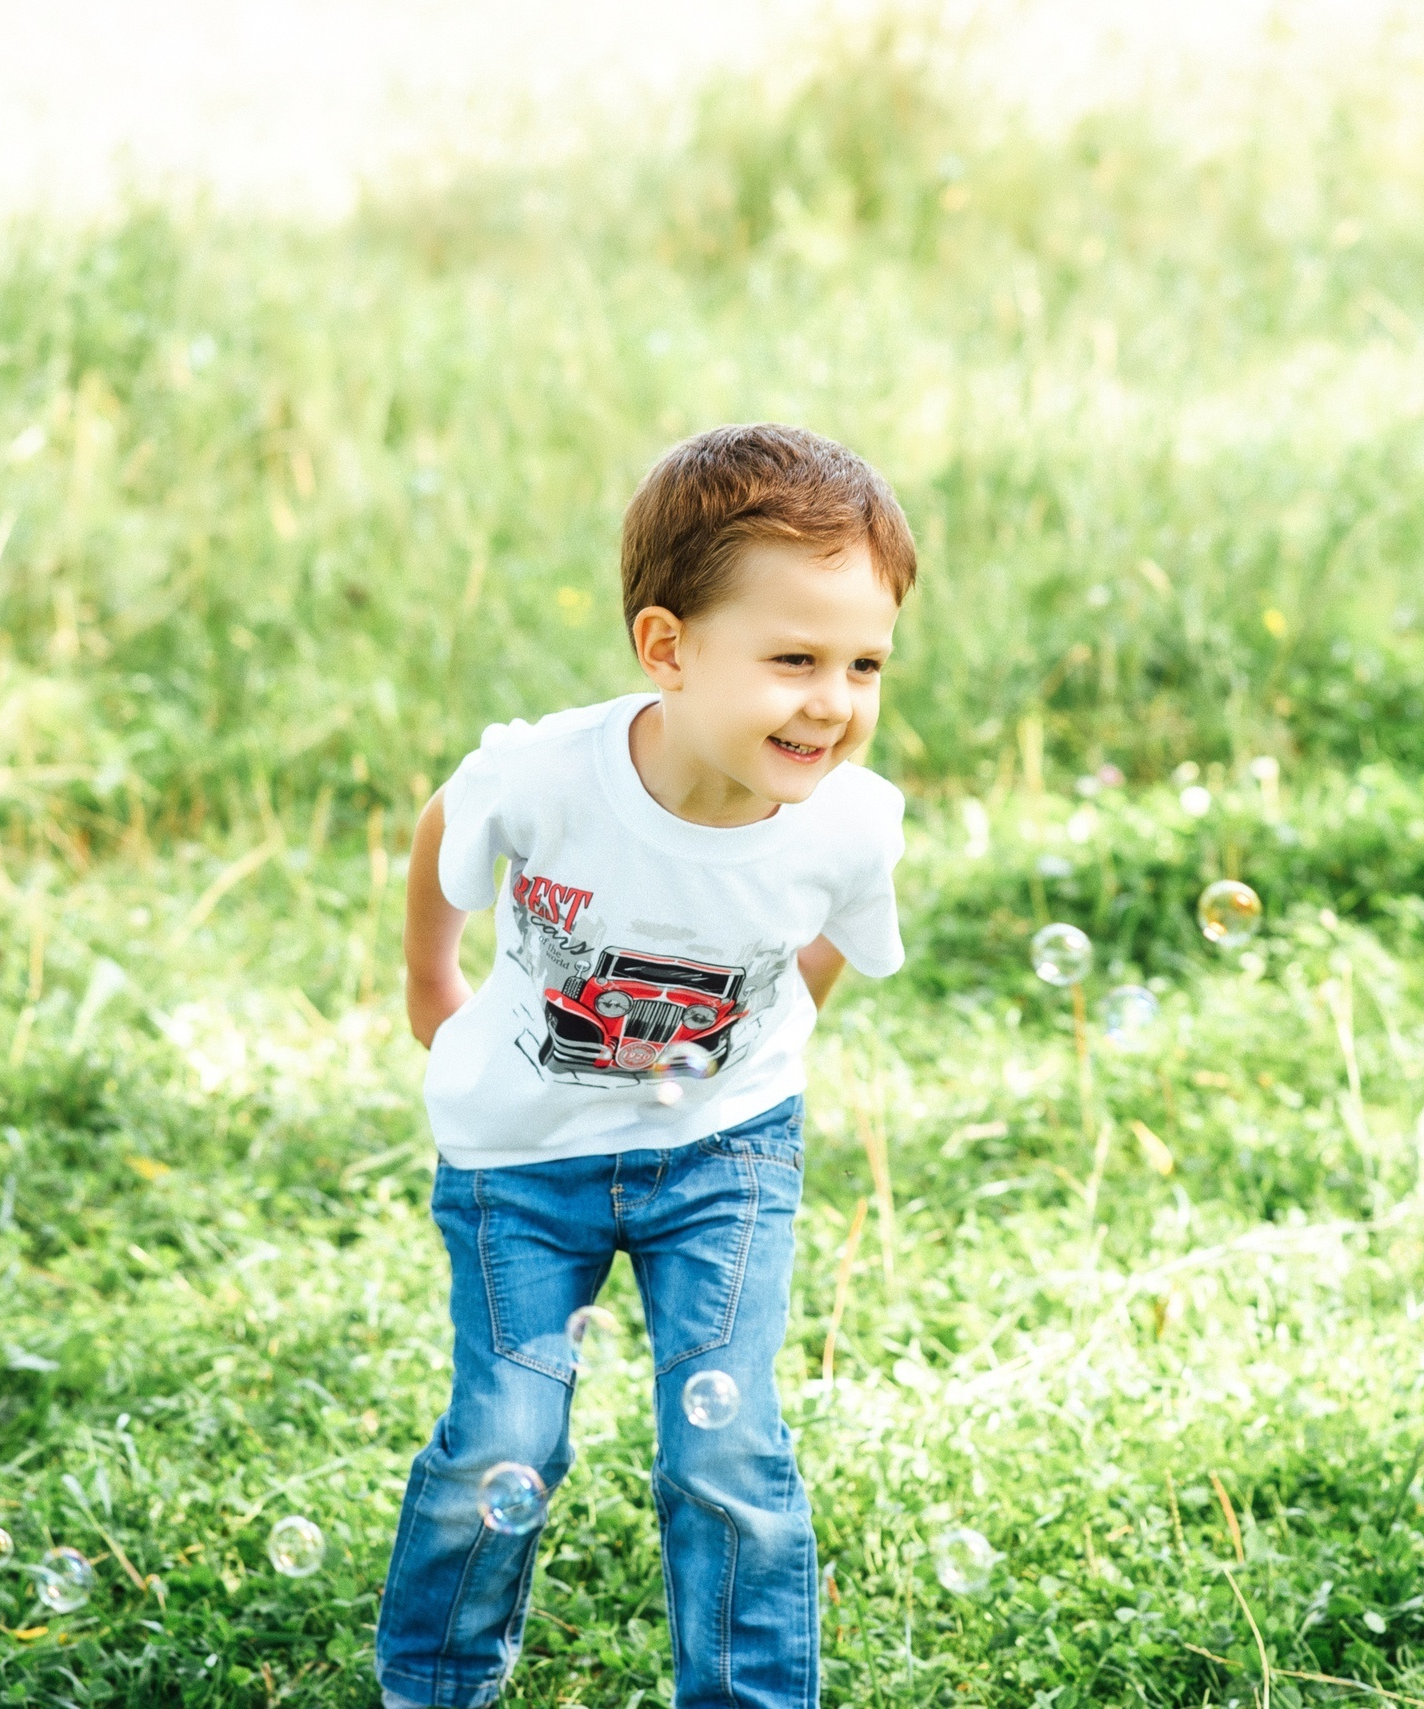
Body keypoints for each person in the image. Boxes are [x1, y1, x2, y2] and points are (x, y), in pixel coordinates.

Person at [375, 423, 915, 1709]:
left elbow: (831, 939)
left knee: (726, 1449)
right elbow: (448, 822)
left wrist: (767, 1044)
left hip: (724, 1155)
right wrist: (429, 985)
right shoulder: (548, 775)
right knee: (503, 1439)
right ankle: (433, 1683)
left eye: (864, 663)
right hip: (522, 1158)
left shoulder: (850, 819)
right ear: (667, 649)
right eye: (793, 659)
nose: (832, 701)